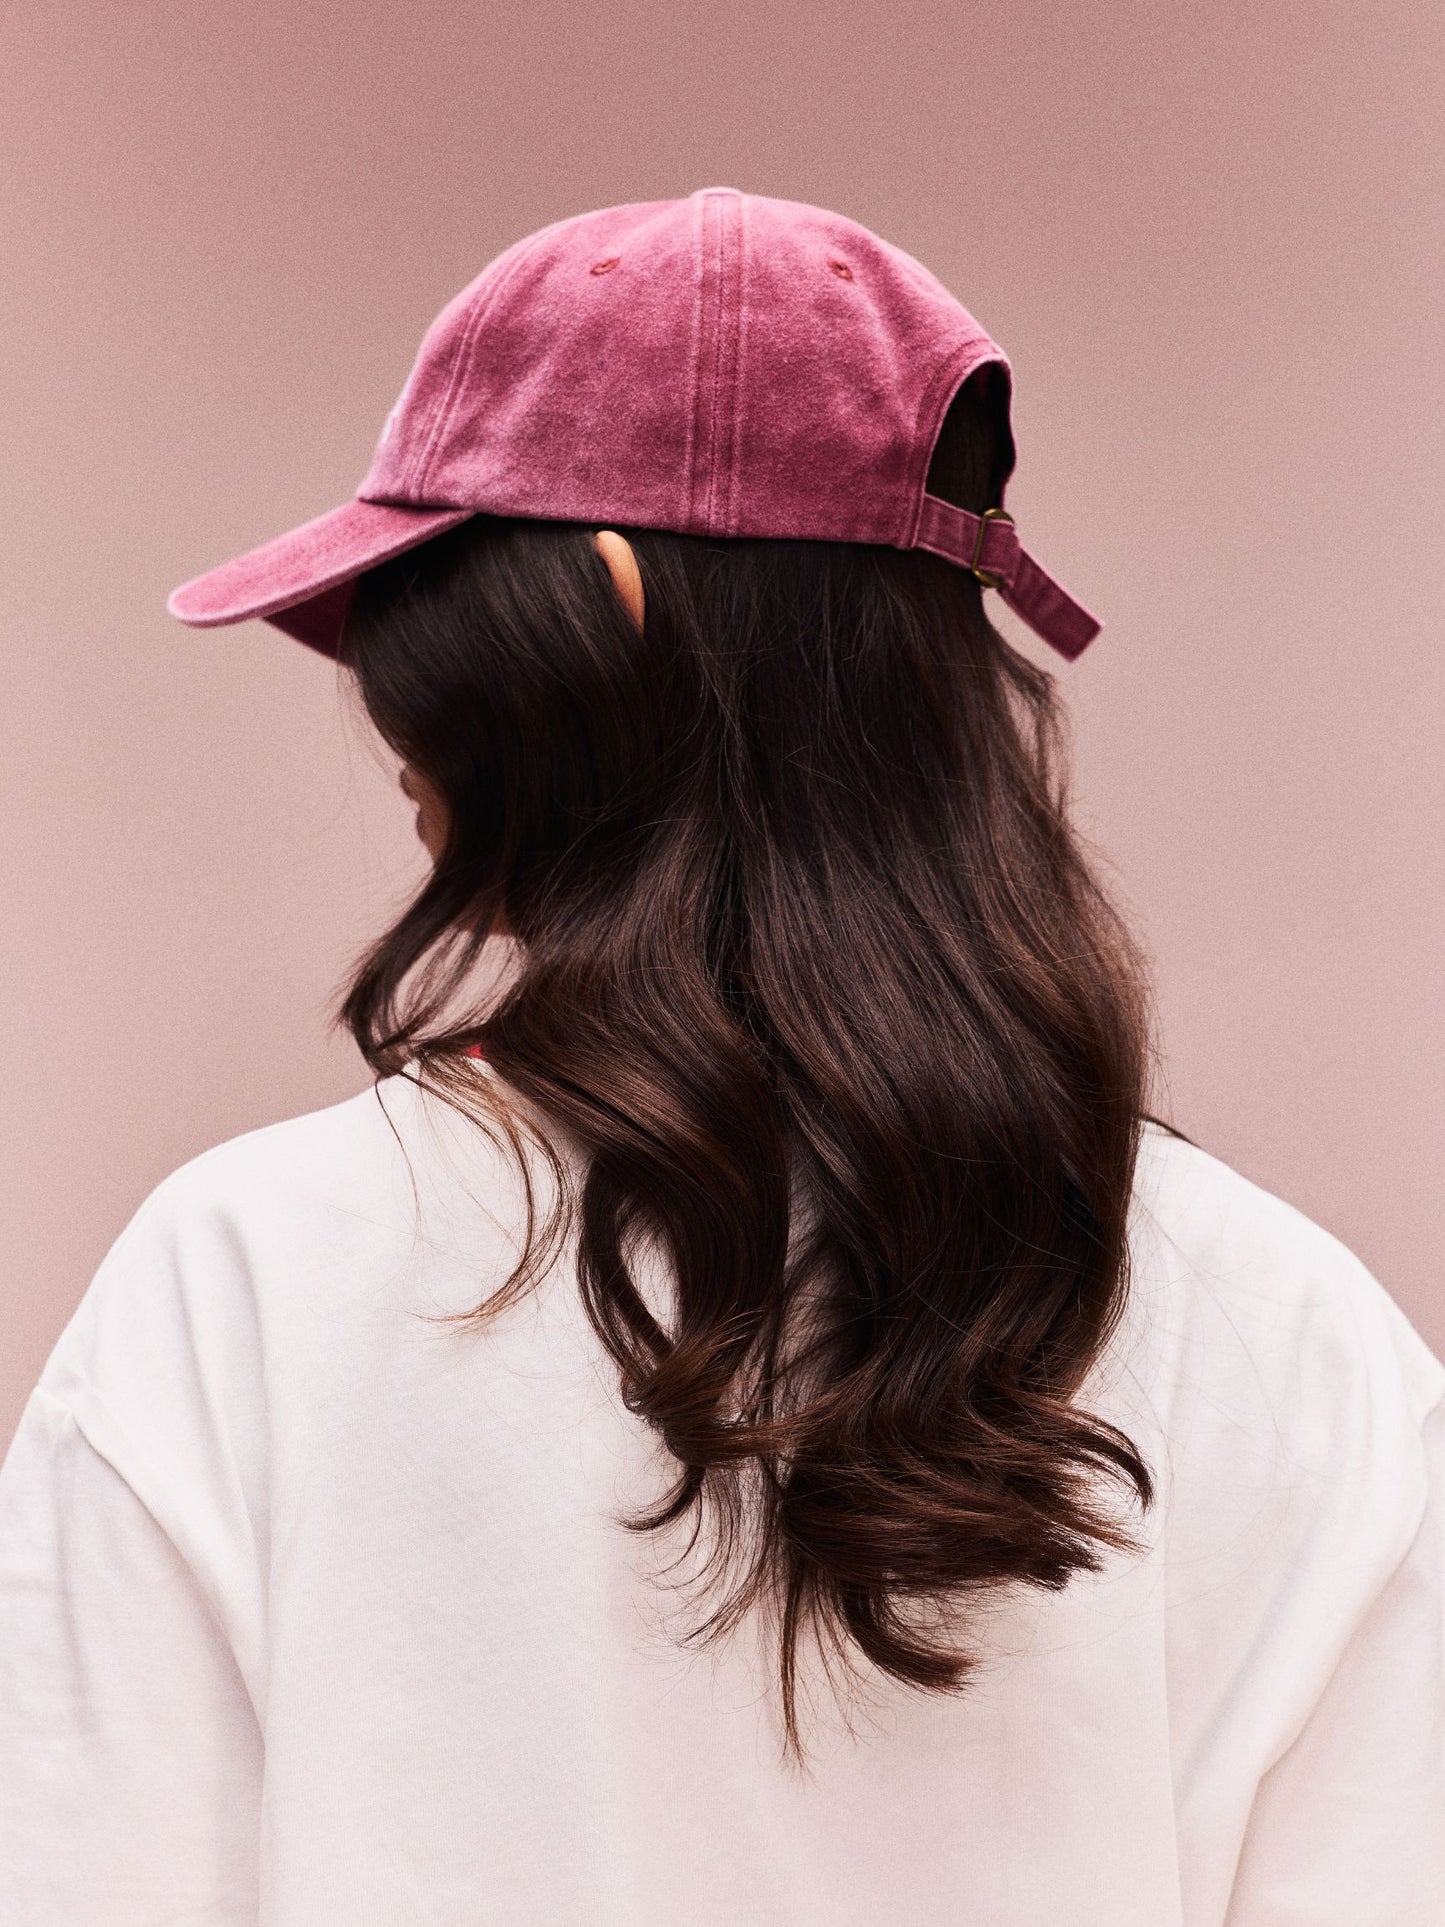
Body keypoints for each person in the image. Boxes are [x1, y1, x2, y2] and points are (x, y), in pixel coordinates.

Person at [1, 189, 1441, 1926]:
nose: (386, 706)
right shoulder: (1287, 1335)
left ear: (598, 612)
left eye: (410, 607)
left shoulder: (241, 1284)